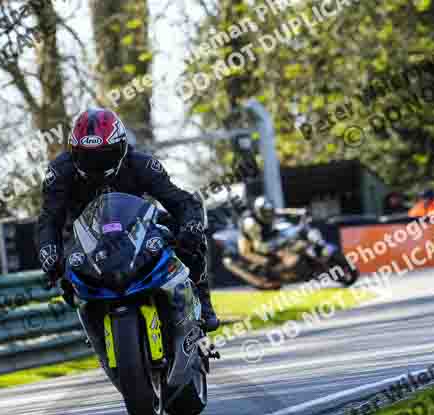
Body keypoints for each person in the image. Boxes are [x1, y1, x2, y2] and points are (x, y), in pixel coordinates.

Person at [37, 108, 219, 331]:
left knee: (191, 239)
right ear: (73, 151)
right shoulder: (59, 172)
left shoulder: (141, 164)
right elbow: (49, 218)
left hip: (139, 225)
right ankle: (93, 324)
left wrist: (191, 225)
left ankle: (203, 300)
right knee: (63, 273)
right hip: (85, 236)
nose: (96, 165)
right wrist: (49, 251)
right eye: (87, 157)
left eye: (104, 156)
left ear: (121, 148)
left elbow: (179, 200)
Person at [238, 196, 335, 271]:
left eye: (269, 211)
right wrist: (278, 246)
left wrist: (300, 211)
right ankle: (282, 267)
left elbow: (283, 211)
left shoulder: (270, 211)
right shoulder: (251, 224)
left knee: (296, 230)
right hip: (259, 240)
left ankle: (318, 247)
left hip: (271, 233)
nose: (268, 214)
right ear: (259, 211)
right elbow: (258, 244)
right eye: (265, 212)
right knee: (272, 255)